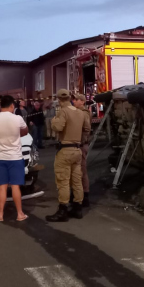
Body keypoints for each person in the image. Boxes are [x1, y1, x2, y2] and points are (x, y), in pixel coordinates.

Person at [47, 89, 90, 222]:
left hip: (65, 149)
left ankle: (63, 210)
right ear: (70, 98)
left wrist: (54, 120)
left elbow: (58, 127)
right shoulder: (80, 112)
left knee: (63, 181)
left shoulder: (63, 111)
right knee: (77, 181)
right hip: (77, 149)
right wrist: (80, 141)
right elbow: (87, 129)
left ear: (59, 100)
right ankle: (78, 208)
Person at [0, 95, 29, 222]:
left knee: (2, 187)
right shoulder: (17, 118)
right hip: (15, 157)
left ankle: (0, 214)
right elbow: (25, 131)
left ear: (0, 105)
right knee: (15, 186)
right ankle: (19, 213)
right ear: (12, 105)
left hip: (0, 156)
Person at [73, 93, 93, 208]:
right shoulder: (78, 112)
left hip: (81, 144)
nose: (74, 101)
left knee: (82, 171)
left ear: (82, 101)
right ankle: (78, 194)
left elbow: (84, 127)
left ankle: (85, 195)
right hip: (77, 144)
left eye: (76, 100)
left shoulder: (84, 113)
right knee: (77, 171)